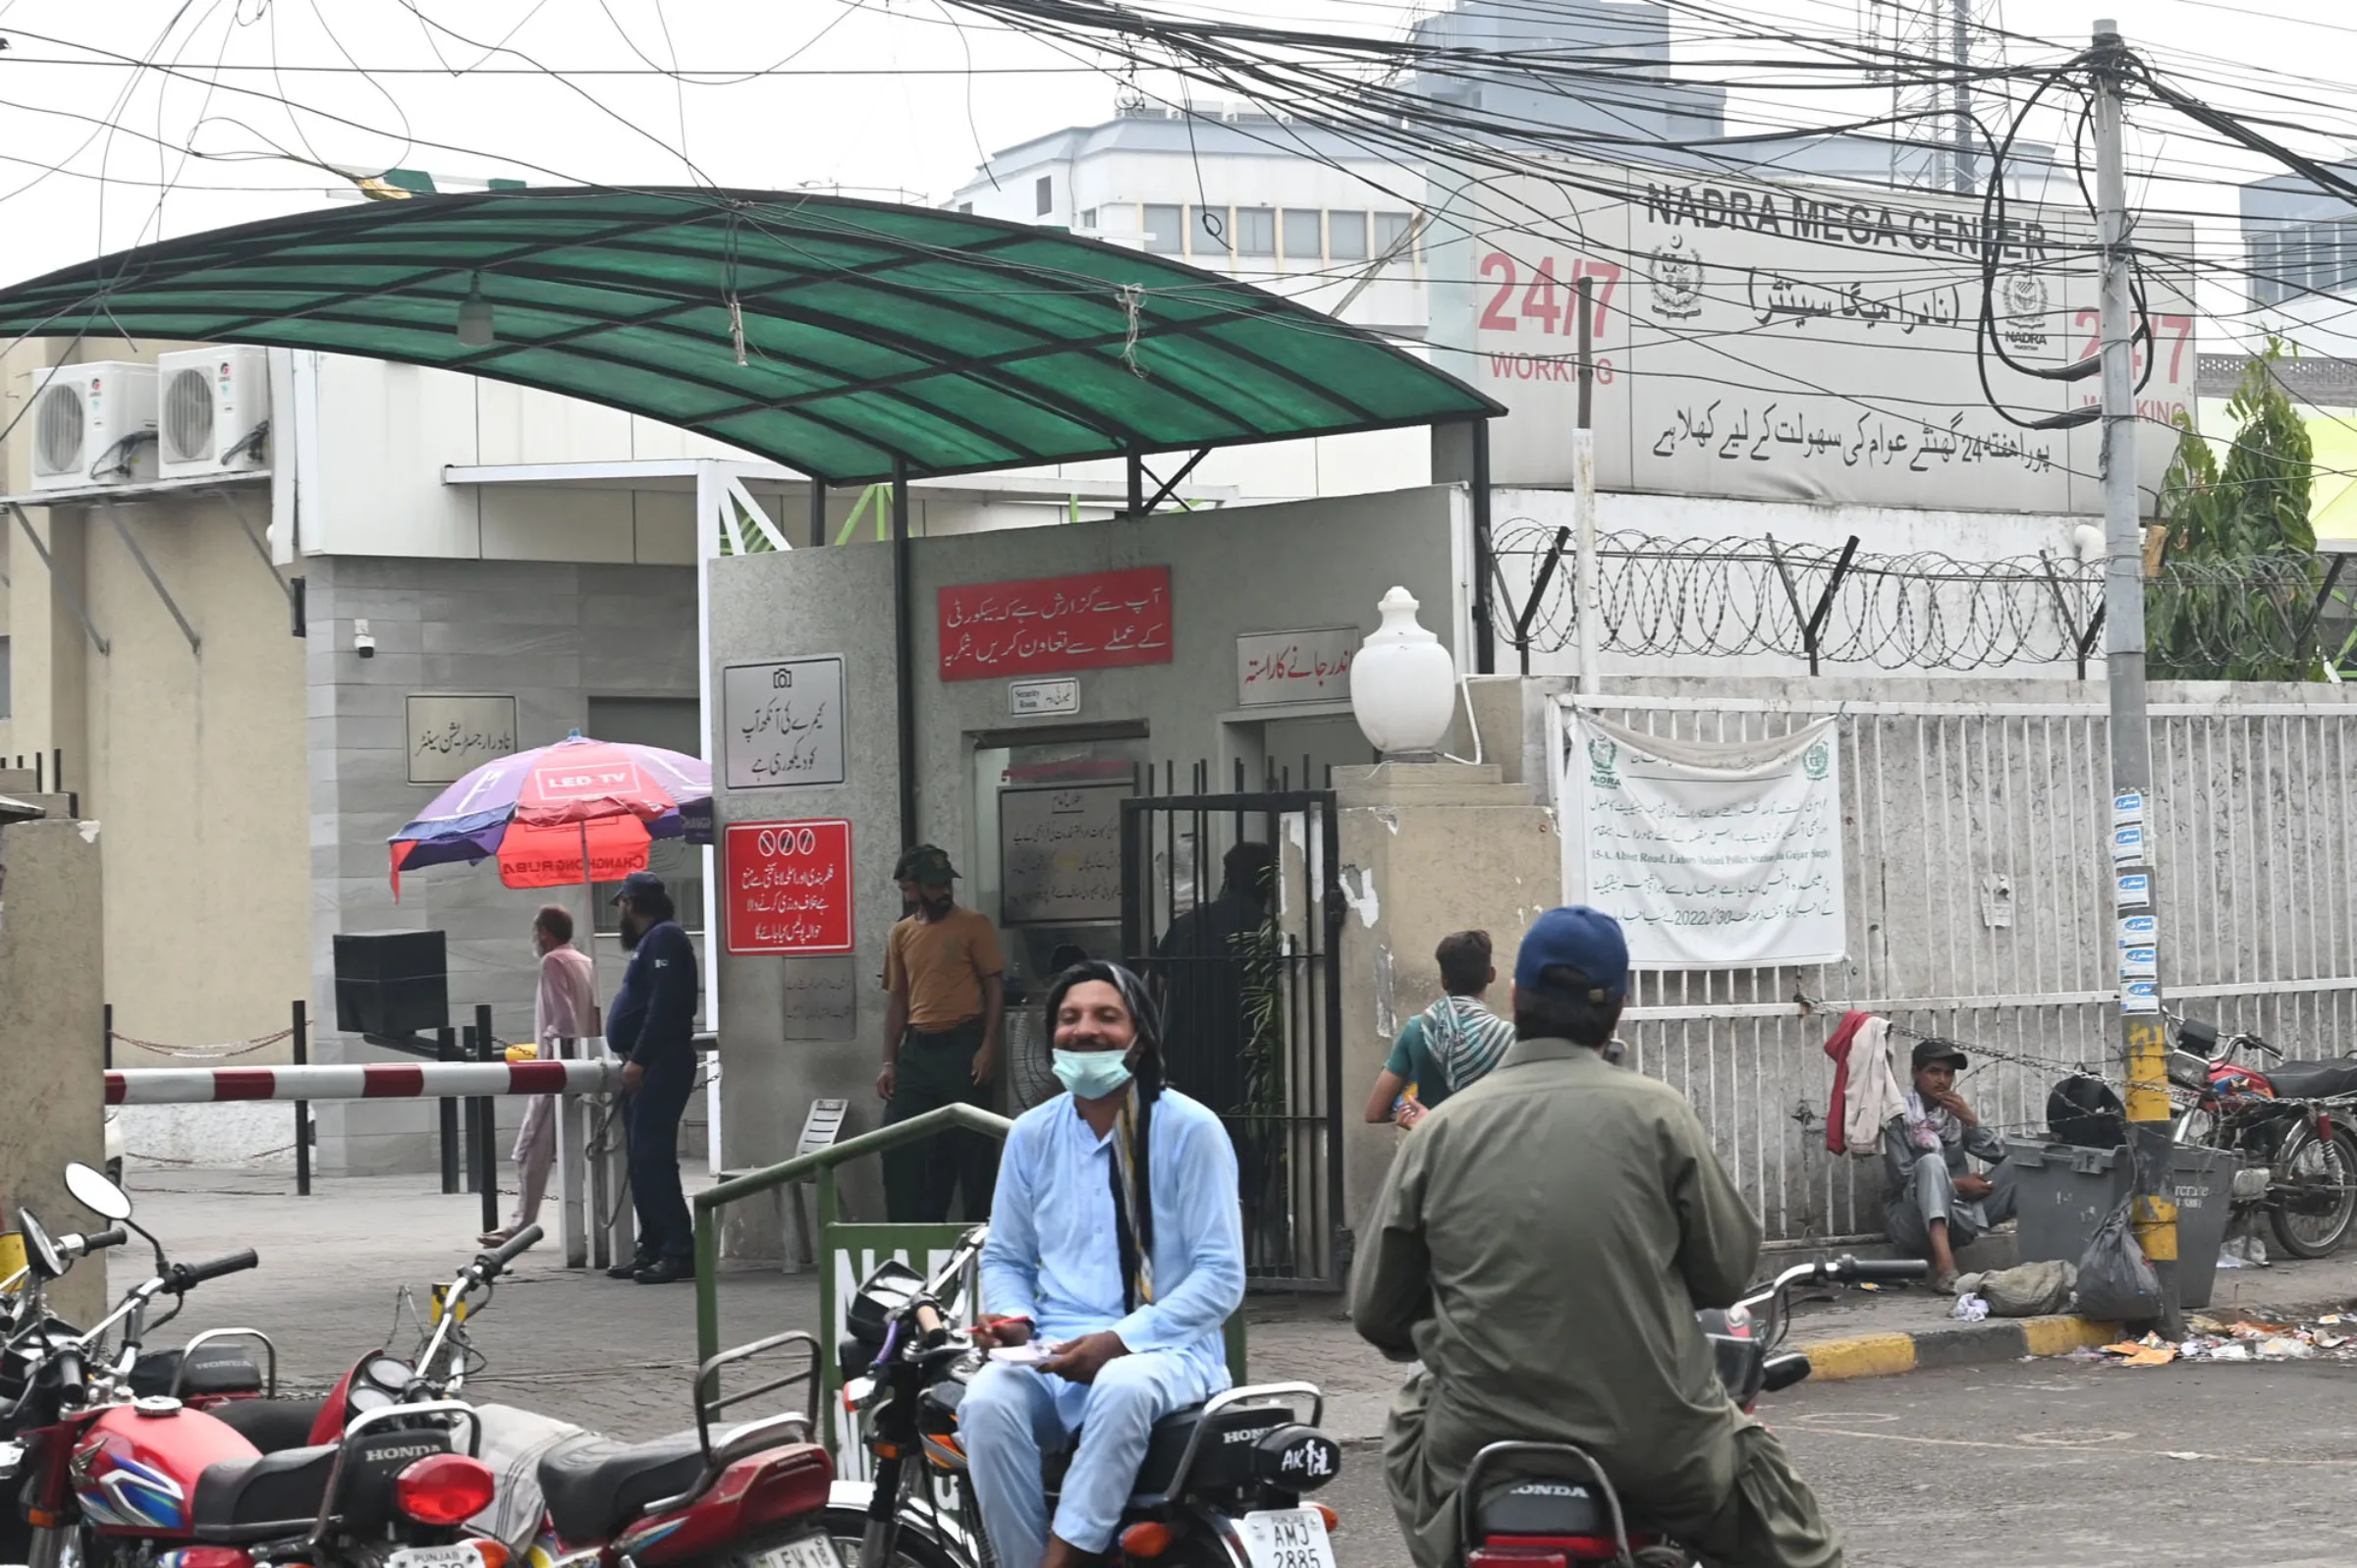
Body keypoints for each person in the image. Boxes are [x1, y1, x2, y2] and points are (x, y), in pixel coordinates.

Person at [1352, 905, 1841, 1568]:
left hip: (1479, 1451)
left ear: (1517, 997)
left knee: (1413, 1418)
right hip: (1660, 1450)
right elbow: (1726, 1274)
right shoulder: (1658, 1115)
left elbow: (1378, 1313)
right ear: (1617, 1009)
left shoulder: (1441, 1130)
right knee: (1801, 1541)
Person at [961, 961, 1245, 1568]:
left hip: (1167, 1352)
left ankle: (1063, 1558)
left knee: (1122, 1381)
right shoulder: (1032, 1135)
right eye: (1069, 1018)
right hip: (1054, 1351)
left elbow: (1221, 1278)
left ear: (1139, 1036)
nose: (1084, 1030)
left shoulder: (1192, 1130)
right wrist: (1012, 1318)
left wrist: (1120, 1340)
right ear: (1051, 1036)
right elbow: (1007, 1255)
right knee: (985, 1400)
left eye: (1105, 1016)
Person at [879, 844, 1006, 1223]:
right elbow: (898, 1001)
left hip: (963, 1046)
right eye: (933, 886)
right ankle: (905, 1240)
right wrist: (888, 1061)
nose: (943, 891)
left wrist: (987, 1047)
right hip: (917, 1051)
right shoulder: (901, 934)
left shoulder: (973, 924)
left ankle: (981, 1242)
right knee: (898, 1143)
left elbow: (994, 987)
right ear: (910, 888)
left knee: (973, 1151)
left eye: (946, 883)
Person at [479, 904, 597, 1248]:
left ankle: (520, 1226)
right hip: (586, 1068)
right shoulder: (586, 962)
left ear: (544, 932)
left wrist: (549, 1045)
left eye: (535, 931)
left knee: (530, 1149)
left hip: (556, 1071)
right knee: (585, 1149)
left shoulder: (553, 962)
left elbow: (563, 1020)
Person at [604, 871, 700, 1284]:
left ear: (634, 903)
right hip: (647, 1063)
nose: (620, 913)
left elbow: (664, 1006)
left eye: (622, 904)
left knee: (652, 1156)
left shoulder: (664, 938)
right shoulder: (650, 943)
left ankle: (678, 1249)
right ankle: (653, 1246)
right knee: (641, 1159)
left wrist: (639, 1059)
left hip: (660, 1061)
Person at [1884, 1039, 2016, 1294]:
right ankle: (1945, 1269)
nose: (1942, 1080)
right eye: (1934, 1072)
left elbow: (1999, 1154)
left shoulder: (1951, 1115)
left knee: (2019, 1167)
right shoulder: (1897, 1117)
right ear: (1915, 1073)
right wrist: (1958, 1185)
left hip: (1959, 1215)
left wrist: (1971, 1120)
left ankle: (2036, 1260)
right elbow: (1902, 1177)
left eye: (1948, 1073)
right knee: (1931, 1163)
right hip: (1911, 1223)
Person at [1150, 840, 1276, 1106]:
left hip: (1185, 1055)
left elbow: (1153, 986)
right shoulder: (1266, 930)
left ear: (1227, 875)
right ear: (1269, 880)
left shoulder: (1188, 923)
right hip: (1246, 1060)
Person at [1362, 930, 1516, 1131]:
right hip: (1487, 1155)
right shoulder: (1505, 1038)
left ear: (1444, 979)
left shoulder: (1417, 1029)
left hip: (1432, 1155)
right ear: (1491, 975)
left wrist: (1415, 1117)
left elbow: (1375, 1112)